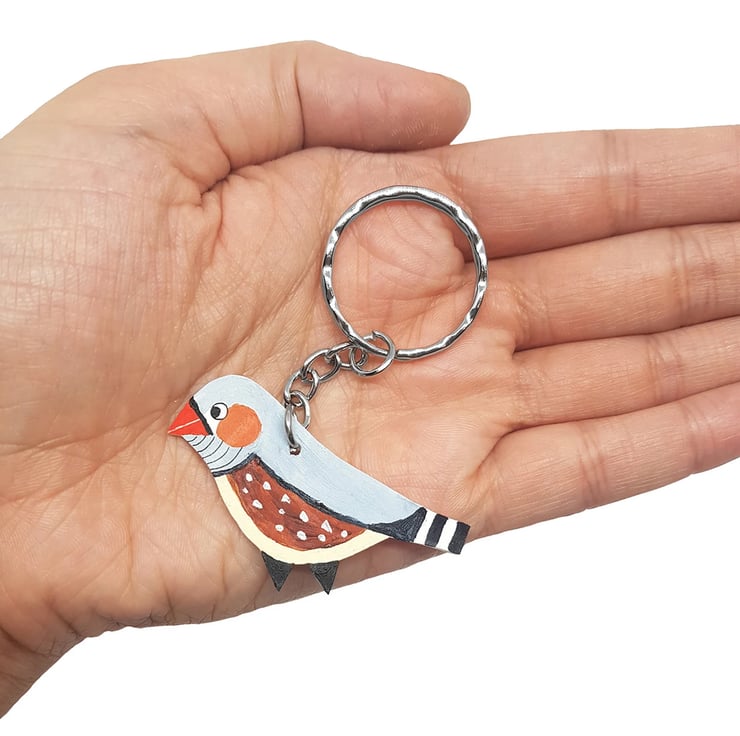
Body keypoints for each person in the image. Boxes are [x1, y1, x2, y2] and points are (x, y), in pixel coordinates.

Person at [0, 41, 738, 716]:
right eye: (210, 416)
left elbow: (341, 502)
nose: (193, 425)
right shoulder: (251, 467)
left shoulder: (272, 463)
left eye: (212, 415)